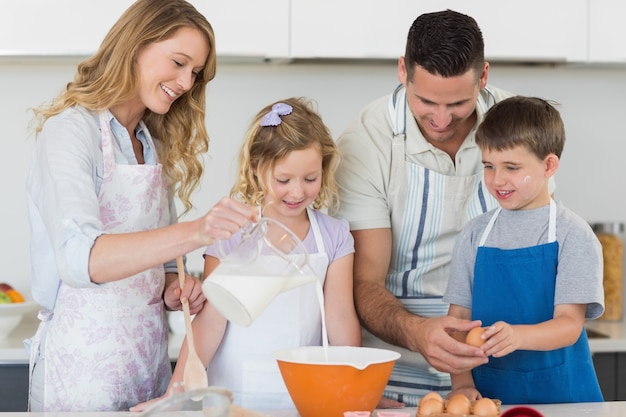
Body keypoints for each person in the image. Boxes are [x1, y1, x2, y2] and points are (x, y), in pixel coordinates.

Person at [25, 0, 257, 411]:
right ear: (135, 45)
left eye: (195, 72)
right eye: (179, 62)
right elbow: (83, 259)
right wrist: (199, 230)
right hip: (82, 376)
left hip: (147, 368)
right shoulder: (69, 134)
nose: (186, 82)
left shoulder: (151, 142)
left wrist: (173, 286)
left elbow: (162, 262)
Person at [132, 97, 362, 412]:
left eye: (310, 178)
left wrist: (356, 389)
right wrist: (178, 389)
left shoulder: (334, 237)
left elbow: (340, 318)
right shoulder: (232, 234)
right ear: (256, 170)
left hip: (306, 398)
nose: (297, 192)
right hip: (234, 398)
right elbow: (210, 320)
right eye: (283, 180)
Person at [334, 9, 516, 406]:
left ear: (483, 76)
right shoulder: (365, 143)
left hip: (500, 362)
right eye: (426, 101)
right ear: (403, 70)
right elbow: (364, 281)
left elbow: (537, 241)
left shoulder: (518, 127)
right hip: (398, 370)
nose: (441, 118)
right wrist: (417, 333)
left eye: (458, 104)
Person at [443, 96, 604, 404]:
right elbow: (458, 323)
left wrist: (518, 337)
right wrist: (462, 383)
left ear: (549, 165)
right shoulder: (475, 235)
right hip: (489, 399)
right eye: (489, 166)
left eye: (512, 167)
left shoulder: (574, 235)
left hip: (564, 400)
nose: (497, 179)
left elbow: (569, 325)